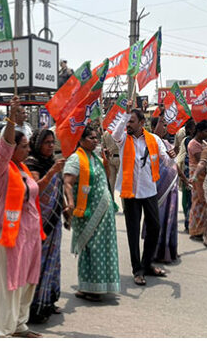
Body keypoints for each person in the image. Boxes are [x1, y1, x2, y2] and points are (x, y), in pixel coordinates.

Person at [0, 96, 44, 338]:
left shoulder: (22, 169)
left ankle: (20, 325)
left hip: (30, 235)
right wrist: (11, 118)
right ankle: (3, 331)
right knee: (9, 283)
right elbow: (4, 146)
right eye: (24, 147)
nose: (28, 150)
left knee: (28, 281)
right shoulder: (0, 169)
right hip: (10, 235)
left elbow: (33, 194)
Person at [112, 106, 176, 285]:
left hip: (149, 190)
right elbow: (115, 133)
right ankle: (137, 270)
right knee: (133, 232)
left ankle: (147, 264)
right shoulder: (123, 138)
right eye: (127, 121)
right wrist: (125, 115)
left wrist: (173, 155)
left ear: (142, 123)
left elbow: (167, 161)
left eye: (132, 121)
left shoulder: (154, 139)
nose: (128, 124)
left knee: (154, 228)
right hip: (130, 192)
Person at [63, 125, 120, 301]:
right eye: (92, 138)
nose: (96, 141)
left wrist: (106, 161)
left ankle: (102, 285)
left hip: (104, 212)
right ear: (80, 141)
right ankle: (89, 287)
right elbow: (68, 183)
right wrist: (70, 203)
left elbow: (105, 177)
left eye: (96, 138)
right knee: (91, 248)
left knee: (104, 247)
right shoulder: (76, 158)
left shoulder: (95, 157)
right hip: (88, 213)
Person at [25, 129, 66, 323]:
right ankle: (34, 307)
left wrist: (65, 207)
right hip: (39, 222)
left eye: (52, 142)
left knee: (53, 261)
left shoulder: (51, 162)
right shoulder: (33, 163)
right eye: (47, 142)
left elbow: (58, 189)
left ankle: (48, 300)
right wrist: (52, 172)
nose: (51, 145)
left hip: (54, 220)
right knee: (38, 263)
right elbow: (35, 189)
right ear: (37, 144)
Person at [146, 116, 189, 263]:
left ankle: (168, 251)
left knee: (169, 220)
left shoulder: (167, 144)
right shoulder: (150, 141)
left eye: (165, 125)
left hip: (171, 189)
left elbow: (174, 164)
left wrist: (184, 178)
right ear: (153, 128)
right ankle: (154, 253)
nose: (165, 128)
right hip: (158, 189)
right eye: (161, 125)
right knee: (158, 219)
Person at [187, 121, 207, 239]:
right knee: (198, 202)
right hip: (197, 175)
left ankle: (202, 229)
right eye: (206, 132)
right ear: (200, 132)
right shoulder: (193, 144)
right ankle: (195, 230)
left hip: (204, 175)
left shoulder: (203, 142)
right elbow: (202, 159)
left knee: (204, 202)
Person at [176, 120, 196, 232]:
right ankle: (188, 223)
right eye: (194, 127)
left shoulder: (191, 140)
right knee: (188, 199)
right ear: (189, 130)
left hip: (190, 173)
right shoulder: (189, 141)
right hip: (187, 173)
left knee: (189, 199)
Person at [101, 129, 121, 194]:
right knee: (122, 183)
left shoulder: (105, 133)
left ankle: (111, 201)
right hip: (119, 158)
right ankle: (124, 203)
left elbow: (103, 148)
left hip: (110, 158)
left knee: (111, 182)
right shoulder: (120, 131)